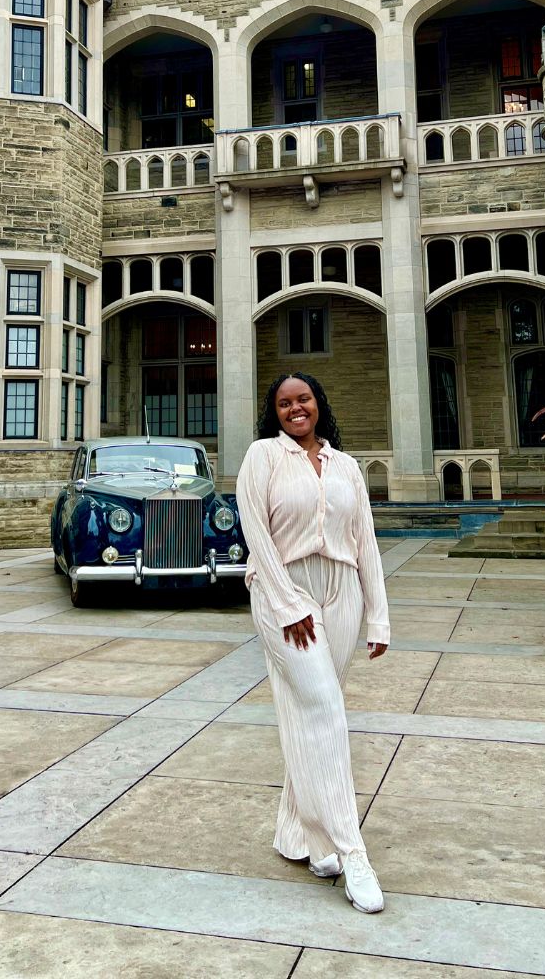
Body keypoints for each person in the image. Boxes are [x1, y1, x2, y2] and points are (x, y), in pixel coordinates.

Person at [236, 372, 390, 914]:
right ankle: (352, 852)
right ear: (274, 412)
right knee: (324, 710)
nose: (294, 409)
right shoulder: (263, 457)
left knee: (311, 717)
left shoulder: (346, 466)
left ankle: (301, 836)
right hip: (287, 596)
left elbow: (366, 542)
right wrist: (287, 603)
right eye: (283, 403)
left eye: (303, 399)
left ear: (318, 405)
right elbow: (254, 532)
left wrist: (379, 617)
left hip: (342, 593)